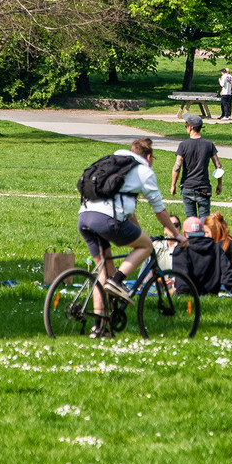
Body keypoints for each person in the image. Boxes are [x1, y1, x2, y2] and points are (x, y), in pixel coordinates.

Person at [77, 137, 183, 338]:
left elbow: (127, 208)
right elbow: (159, 210)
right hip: (106, 220)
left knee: (102, 274)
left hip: (85, 216)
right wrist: (176, 233)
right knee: (147, 247)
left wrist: (139, 231)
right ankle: (118, 281)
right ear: (149, 156)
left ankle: (99, 329)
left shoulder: (115, 160)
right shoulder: (144, 171)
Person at [170, 215, 232, 295]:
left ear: (185, 234)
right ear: (202, 232)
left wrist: (180, 293)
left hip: (191, 296)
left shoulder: (182, 249)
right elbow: (227, 273)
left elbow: (182, 281)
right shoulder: (215, 247)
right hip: (213, 293)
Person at [171, 115, 222, 220]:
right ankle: (203, 236)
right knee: (204, 221)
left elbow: (177, 166)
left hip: (187, 187)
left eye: (186, 125)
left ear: (191, 127)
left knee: (191, 221)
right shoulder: (209, 144)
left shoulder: (183, 145)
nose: (186, 127)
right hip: (203, 188)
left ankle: (192, 236)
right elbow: (218, 165)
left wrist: (173, 185)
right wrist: (219, 184)